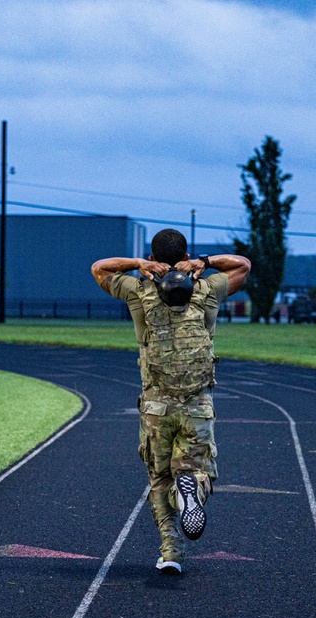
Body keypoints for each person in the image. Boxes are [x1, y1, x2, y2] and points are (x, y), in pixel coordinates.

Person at [91, 230, 250, 574]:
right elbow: (242, 266)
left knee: (159, 479)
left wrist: (138, 265)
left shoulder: (139, 291)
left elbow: (99, 269)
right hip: (196, 404)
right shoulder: (206, 290)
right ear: (185, 254)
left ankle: (171, 551)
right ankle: (191, 492)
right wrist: (203, 263)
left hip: (156, 406)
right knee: (196, 470)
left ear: (153, 255)